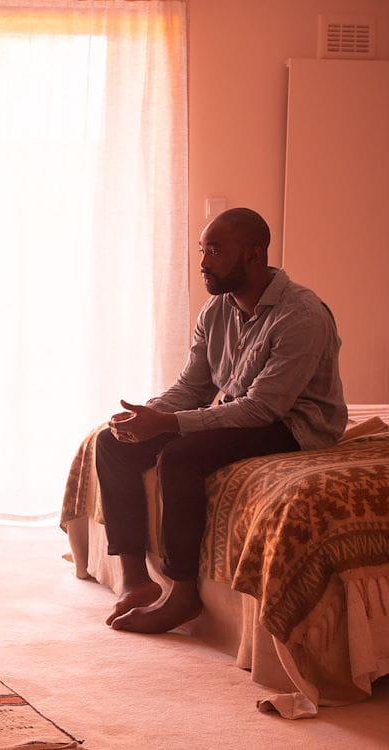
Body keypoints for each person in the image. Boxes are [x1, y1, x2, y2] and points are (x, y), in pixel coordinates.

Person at [96, 207, 346, 634]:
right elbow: (192, 386)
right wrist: (147, 416)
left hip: (294, 425)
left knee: (181, 456)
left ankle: (183, 593)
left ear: (254, 254)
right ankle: (135, 581)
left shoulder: (301, 314)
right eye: (201, 250)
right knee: (112, 443)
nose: (203, 263)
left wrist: (168, 424)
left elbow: (262, 409)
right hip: (247, 410)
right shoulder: (216, 310)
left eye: (214, 251)